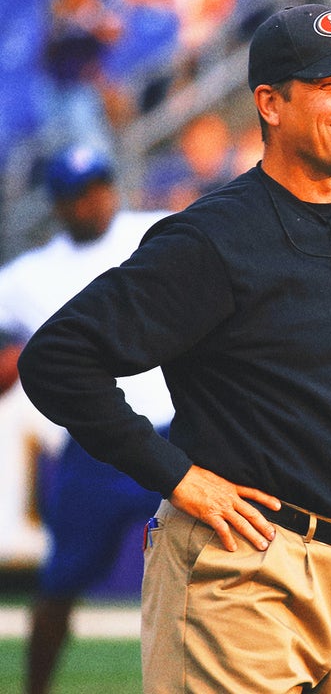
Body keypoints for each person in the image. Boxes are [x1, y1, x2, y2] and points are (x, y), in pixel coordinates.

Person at [17, 4, 331, 692]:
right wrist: (176, 474)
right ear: (270, 104)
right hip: (243, 571)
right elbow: (58, 358)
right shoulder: (214, 237)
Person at [0, 144, 172, 694]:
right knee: (59, 585)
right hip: (94, 446)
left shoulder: (156, 234)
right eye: (78, 195)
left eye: (99, 188)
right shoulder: (28, 276)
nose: (92, 202)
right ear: (57, 204)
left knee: (222, 567)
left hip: (174, 434)